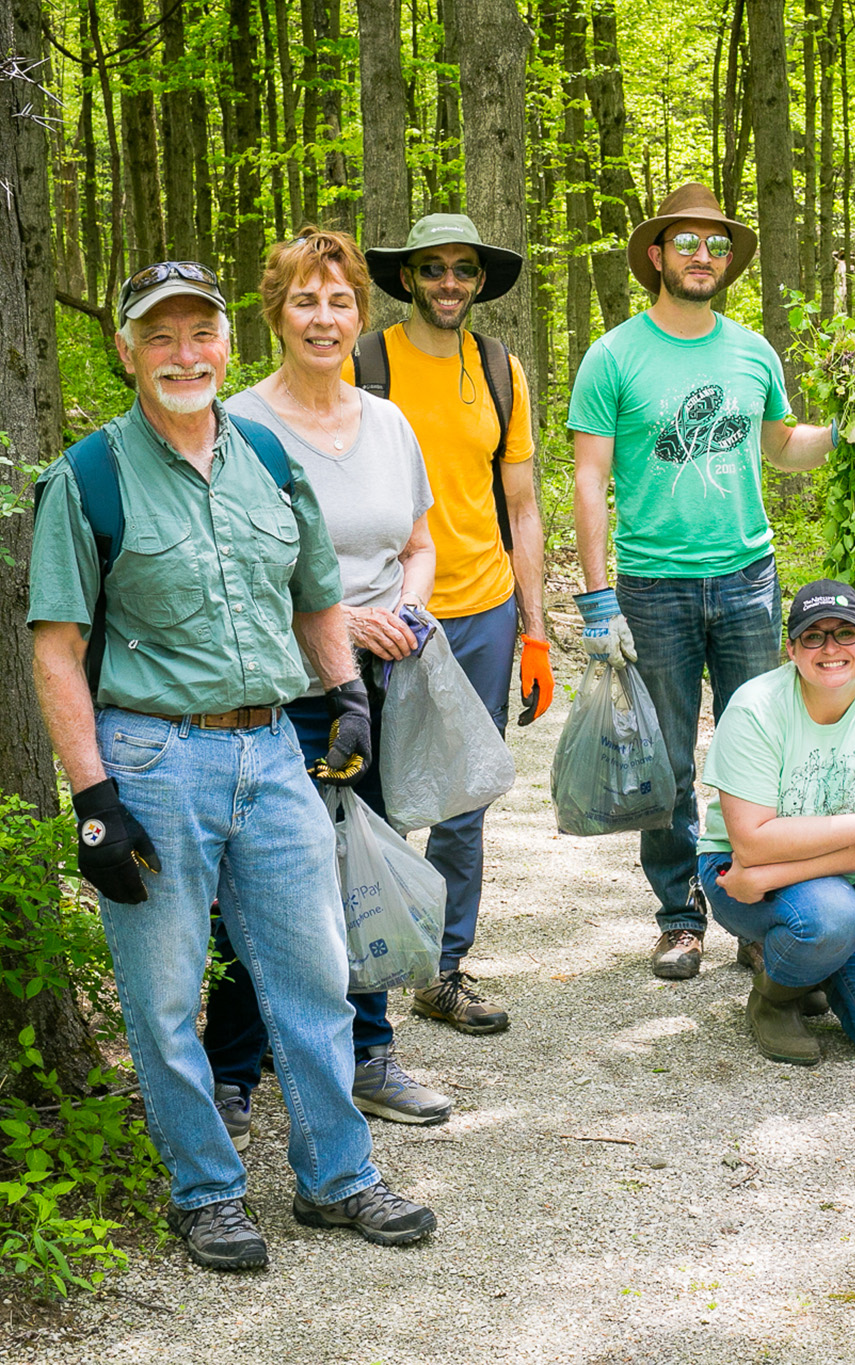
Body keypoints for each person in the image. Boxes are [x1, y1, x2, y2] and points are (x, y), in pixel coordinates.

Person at [28, 260, 435, 1271]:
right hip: (153, 756)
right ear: (127, 351)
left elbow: (312, 595)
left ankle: (337, 1178)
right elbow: (54, 646)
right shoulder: (88, 477)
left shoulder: (265, 455)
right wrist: (92, 799)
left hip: (273, 747)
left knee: (312, 977)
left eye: (197, 334)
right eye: (158, 337)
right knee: (164, 997)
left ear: (224, 343)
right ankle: (206, 1192)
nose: (182, 355)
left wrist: (343, 695)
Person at [567, 183, 855, 981]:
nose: (705, 256)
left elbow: (780, 447)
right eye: (688, 243)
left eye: (718, 245)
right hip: (653, 585)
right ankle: (679, 916)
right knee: (667, 758)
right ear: (658, 256)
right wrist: (598, 599)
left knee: (759, 750)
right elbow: (590, 480)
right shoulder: (615, 355)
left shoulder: (752, 351)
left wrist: (844, 432)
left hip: (747, 577)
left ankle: (755, 909)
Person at [197, 228, 455, 1139]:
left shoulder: (388, 424)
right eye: (305, 300)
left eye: (340, 300)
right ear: (275, 312)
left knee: (366, 872)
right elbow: (225, 574)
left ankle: (368, 1055)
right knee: (261, 884)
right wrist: (339, 622)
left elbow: (419, 546)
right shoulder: (236, 428)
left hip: (383, 689)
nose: (323, 317)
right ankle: (234, 1072)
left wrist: (408, 613)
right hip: (278, 693)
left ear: (360, 315)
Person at [350, 213, 546, 1035]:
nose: (449, 283)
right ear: (408, 279)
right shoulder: (367, 362)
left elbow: (524, 505)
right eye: (432, 269)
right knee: (380, 796)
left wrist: (537, 631)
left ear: (479, 281)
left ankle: (443, 969)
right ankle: (362, 976)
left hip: (483, 608)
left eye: (463, 270)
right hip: (386, 615)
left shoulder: (501, 370)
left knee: (463, 804)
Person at [696, 580, 855, 1065]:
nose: (831, 648)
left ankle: (819, 967)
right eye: (814, 636)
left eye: (846, 634)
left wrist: (765, 876)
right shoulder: (754, 708)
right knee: (831, 917)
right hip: (732, 871)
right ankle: (775, 998)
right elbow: (750, 844)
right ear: (792, 648)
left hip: (797, 876)